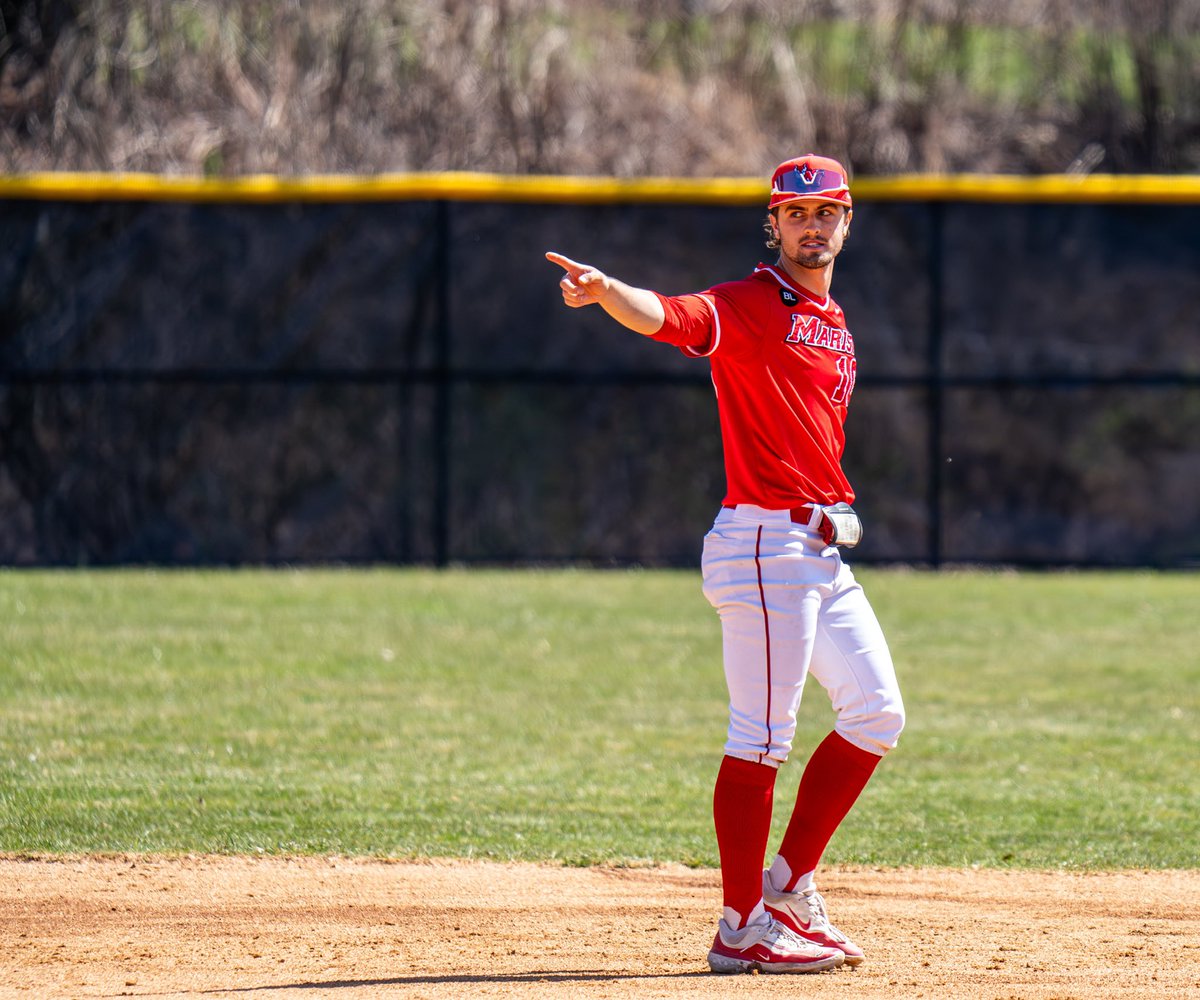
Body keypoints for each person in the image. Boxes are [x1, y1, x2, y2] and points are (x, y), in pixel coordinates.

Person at [545, 154, 906, 975]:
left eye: (827, 213)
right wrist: (608, 293)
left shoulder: (836, 321)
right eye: (795, 213)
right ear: (772, 225)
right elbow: (672, 317)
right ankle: (741, 925)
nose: (811, 226)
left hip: (818, 551)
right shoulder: (747, 304)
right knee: (762, 737)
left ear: (848, 222)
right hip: (765, 543)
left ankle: (786, 886)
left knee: (878, 713)